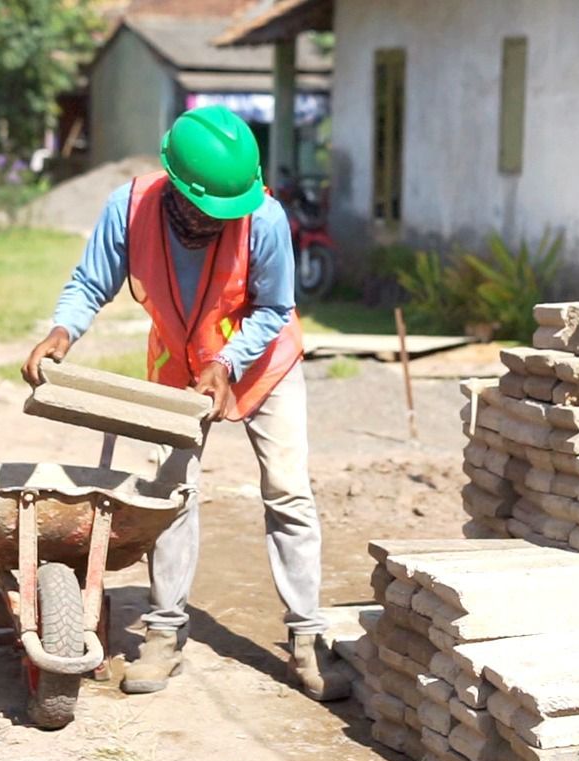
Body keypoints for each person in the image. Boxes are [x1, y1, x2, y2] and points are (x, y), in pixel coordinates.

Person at [23, 105, 349, 702]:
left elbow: (273, 309)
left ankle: (307, 638)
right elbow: (92, 281)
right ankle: (166, 633)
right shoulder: (129, 208)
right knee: (171, 492)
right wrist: (62, 331)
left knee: (288, 490)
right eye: (206, 212)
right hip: (179, 366)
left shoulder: (266, 219)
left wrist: (227, 363)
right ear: (175, 186)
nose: (217, 223)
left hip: (263, 364)